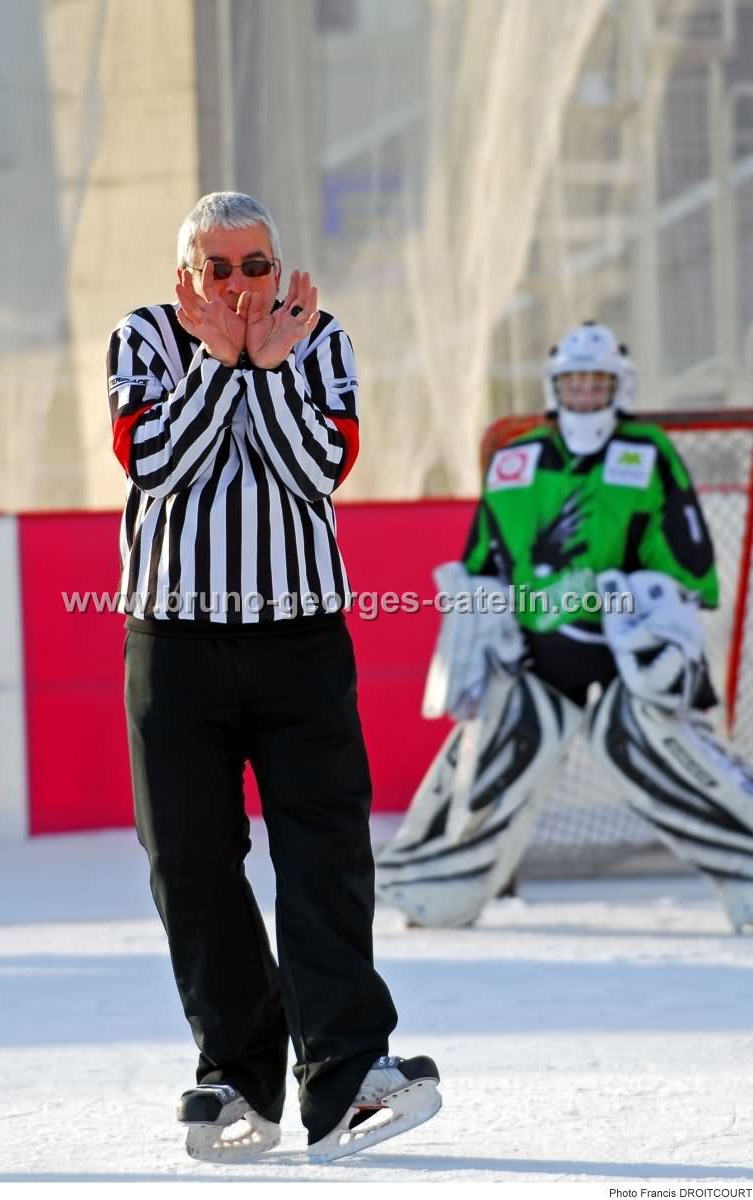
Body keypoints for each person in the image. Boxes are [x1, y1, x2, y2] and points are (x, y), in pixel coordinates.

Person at [106, 191, 441, 1163]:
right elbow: (155, 461)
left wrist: (266, 370)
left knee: (324, 854)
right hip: (174, 644)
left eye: (255, 266)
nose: (238, 286)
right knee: (190, 862)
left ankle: (347, 1074)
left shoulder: (321, 341)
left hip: (300, 643)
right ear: (186, 275)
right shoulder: (142, 339)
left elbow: (316, 468)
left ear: (279, 269)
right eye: (217, 268)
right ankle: (234, 1075)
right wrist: (222, 367)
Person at [375, 320, 753, 933]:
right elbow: (483, 562)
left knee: (684, 768)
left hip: (626, 660)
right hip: (535, 658)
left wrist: (646, 606)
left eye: (596, 383)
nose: (585, 394)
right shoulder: (515, 460)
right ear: (556, 388)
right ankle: (432, 893)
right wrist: (479, 609)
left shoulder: (648, 452)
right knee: (484, 773)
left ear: (618, 387)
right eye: (575, 383)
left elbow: (689, 566)